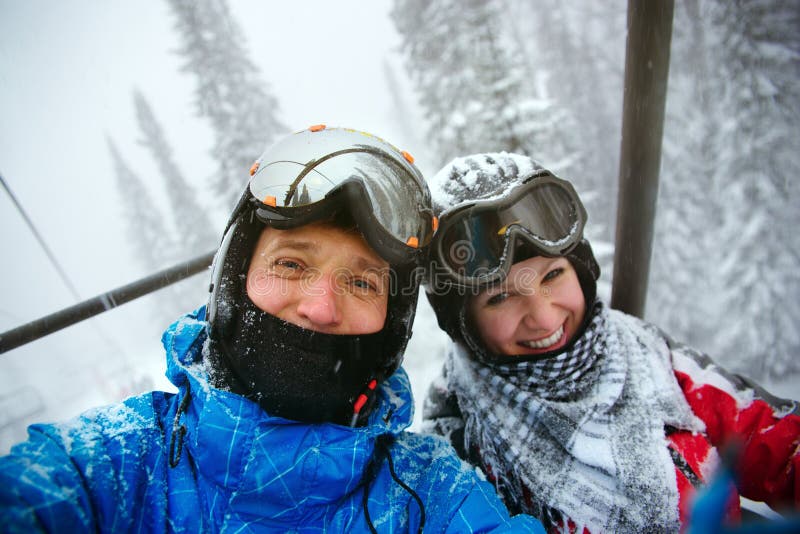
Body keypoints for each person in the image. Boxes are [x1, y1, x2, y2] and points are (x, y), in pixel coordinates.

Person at [0, 129, 545, 533]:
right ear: (233, 283)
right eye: (290, 265)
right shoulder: (109, 466)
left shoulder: (431, 496)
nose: (320, 307)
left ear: (390, 330)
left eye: (361, 283)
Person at [422, 152, 800, 533]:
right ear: (464, 323)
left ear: (580, 269)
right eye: (500, 297)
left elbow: (775, 442)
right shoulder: (456, 440)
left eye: (553, 274)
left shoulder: (649, 357)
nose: (545, 317)